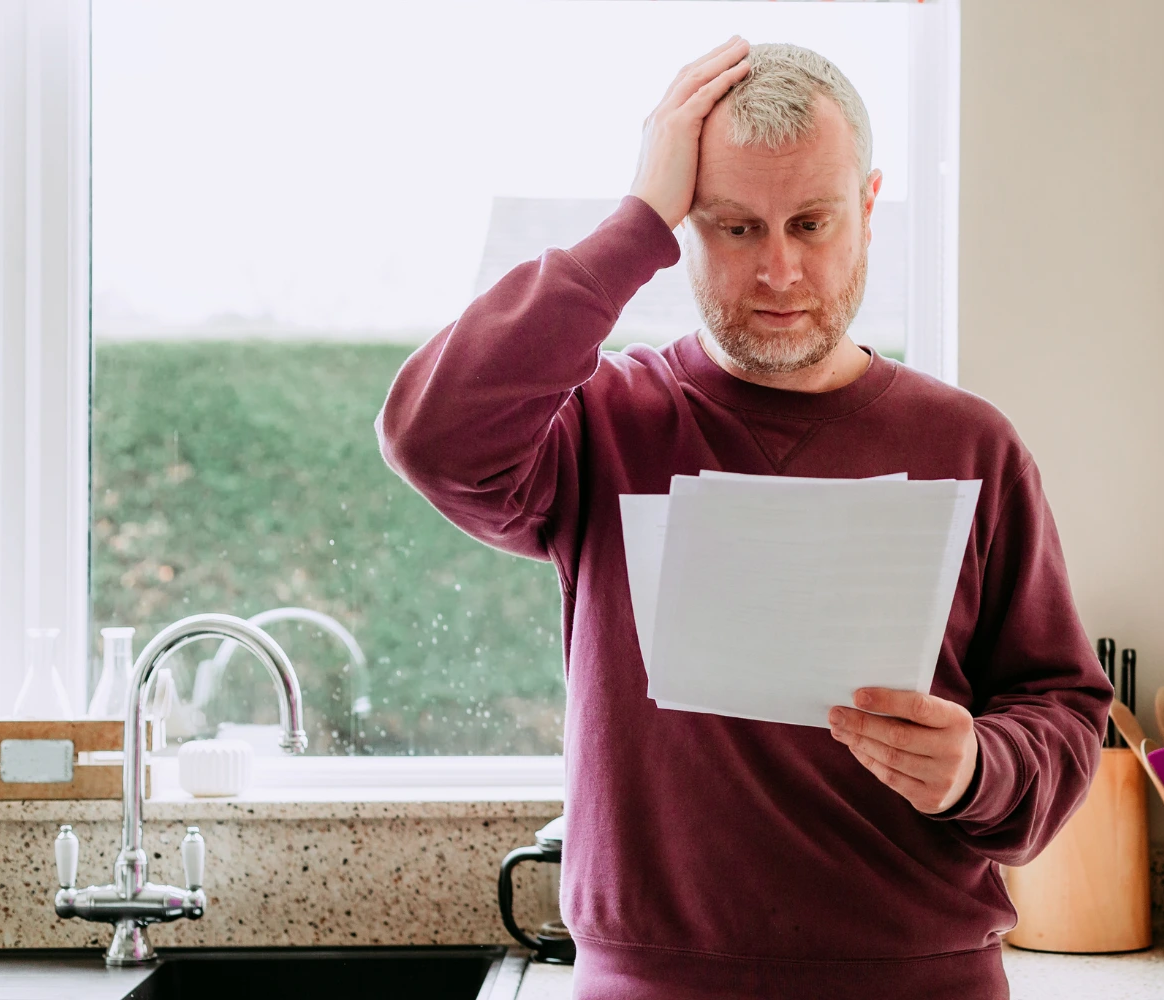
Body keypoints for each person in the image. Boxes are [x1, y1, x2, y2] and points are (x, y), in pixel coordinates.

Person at [378, 37, 1110, 999]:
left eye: (812, 223)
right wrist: (633, 221)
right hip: (647, 981)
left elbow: (1064, 709)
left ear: (869, 209)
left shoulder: (973, 446)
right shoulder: (603, 425)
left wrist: (979, 767)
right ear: (683, 226)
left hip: (916, 980)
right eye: (733, 227)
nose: (778, 271)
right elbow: (432, 436)